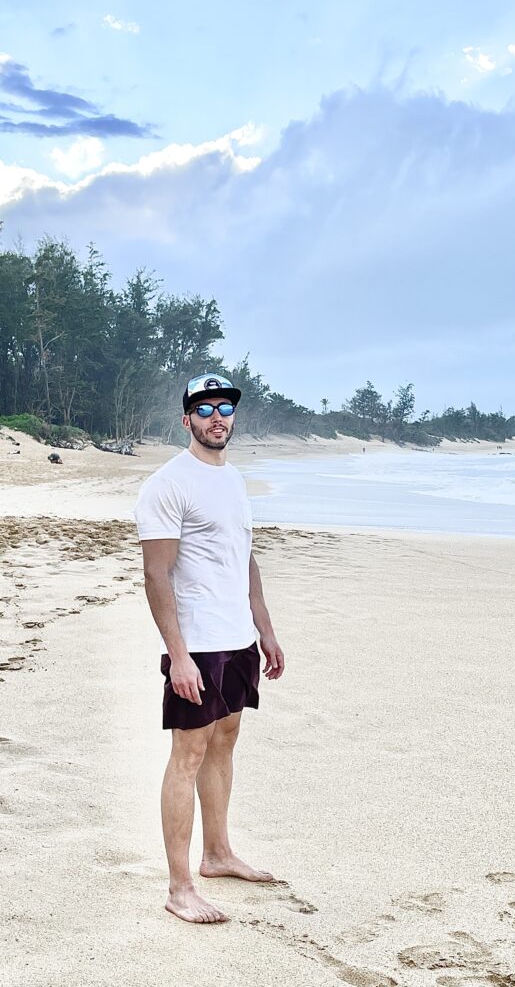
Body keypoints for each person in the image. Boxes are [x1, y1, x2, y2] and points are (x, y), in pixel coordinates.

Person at [134, 373, 285, 924]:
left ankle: (218, 854)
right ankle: (179, 887)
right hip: (197, 646)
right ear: (187, 420)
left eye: (224, 407)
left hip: (237, 639)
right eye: (204, 408)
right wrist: (178, 655)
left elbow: (244, 558)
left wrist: (264, 629)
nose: (216, 416)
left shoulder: (235, 479)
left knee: (224, 743)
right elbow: (156, 574)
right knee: (188, 753)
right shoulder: (168, 483)